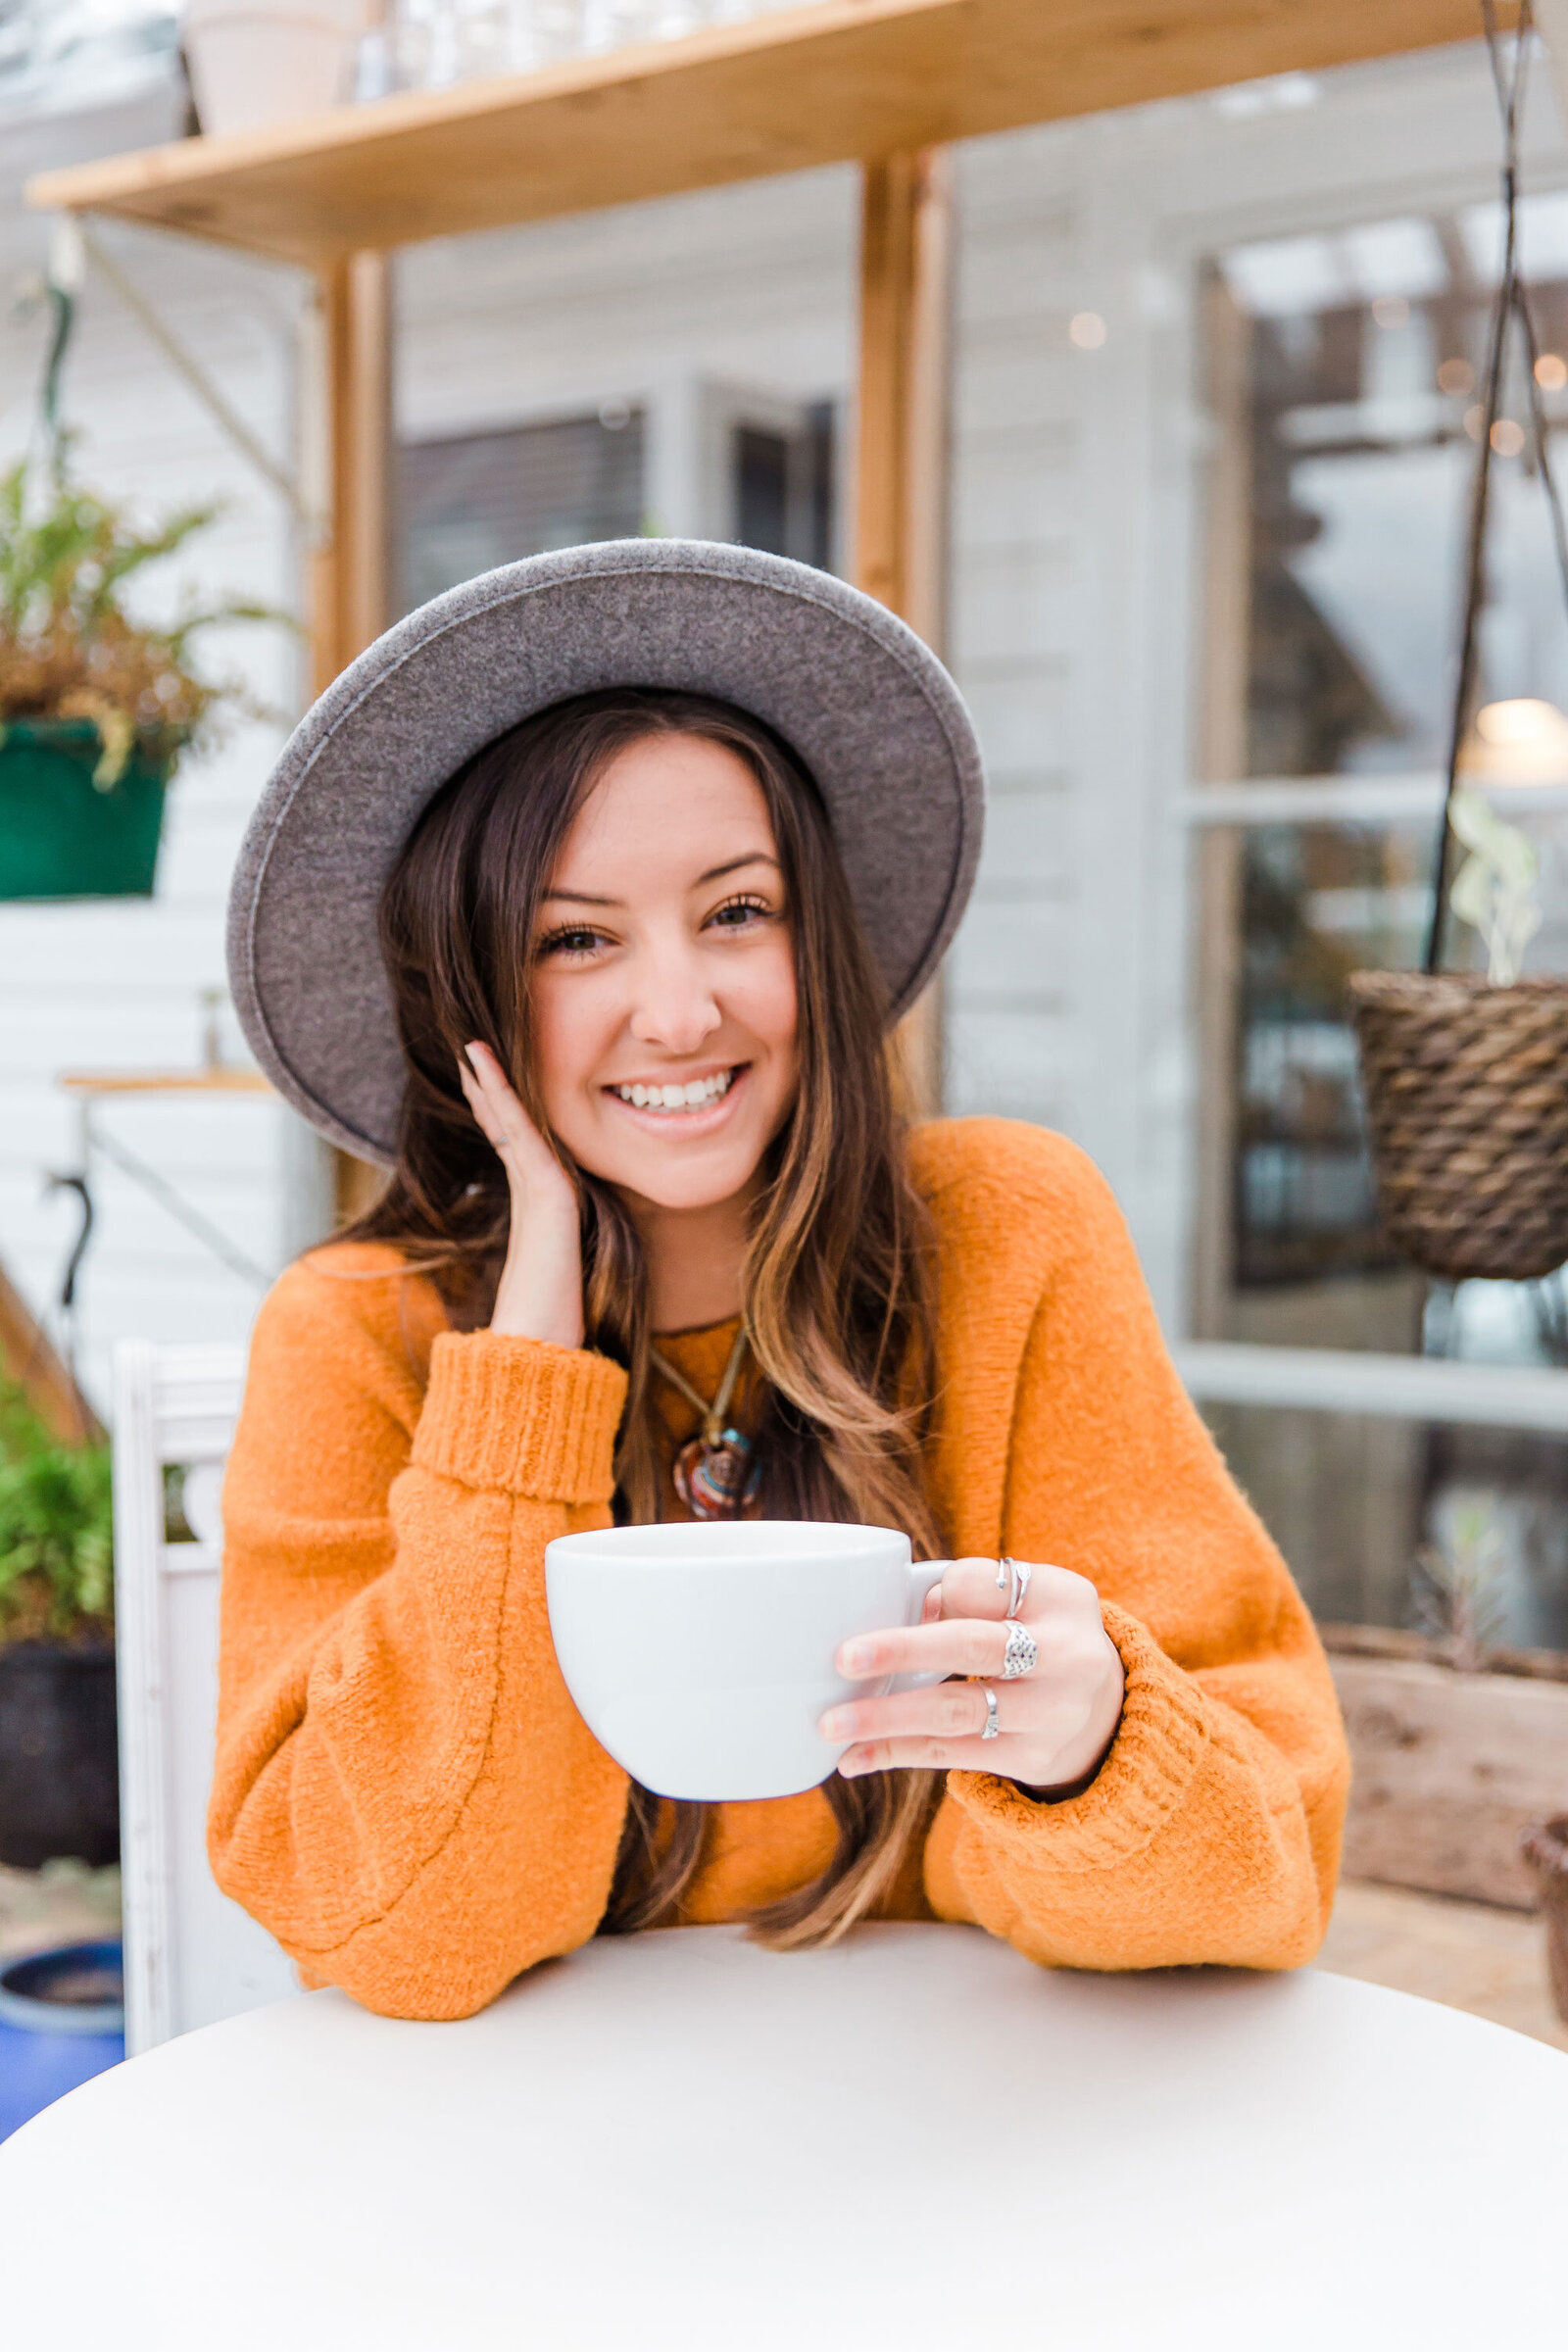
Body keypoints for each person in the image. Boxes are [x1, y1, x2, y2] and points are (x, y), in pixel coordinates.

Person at [213, 541, 1348, 2022]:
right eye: (574, 940)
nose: (680, 1013)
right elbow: (400, 1938)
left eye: (738, 911)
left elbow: (1272, 1873)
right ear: (464, 994)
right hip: (524, 2169)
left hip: (955, 2132)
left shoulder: (1004, 1234)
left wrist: (1094, 1744)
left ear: (818, 935)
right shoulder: (361, 1336)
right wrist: (526, 1375)